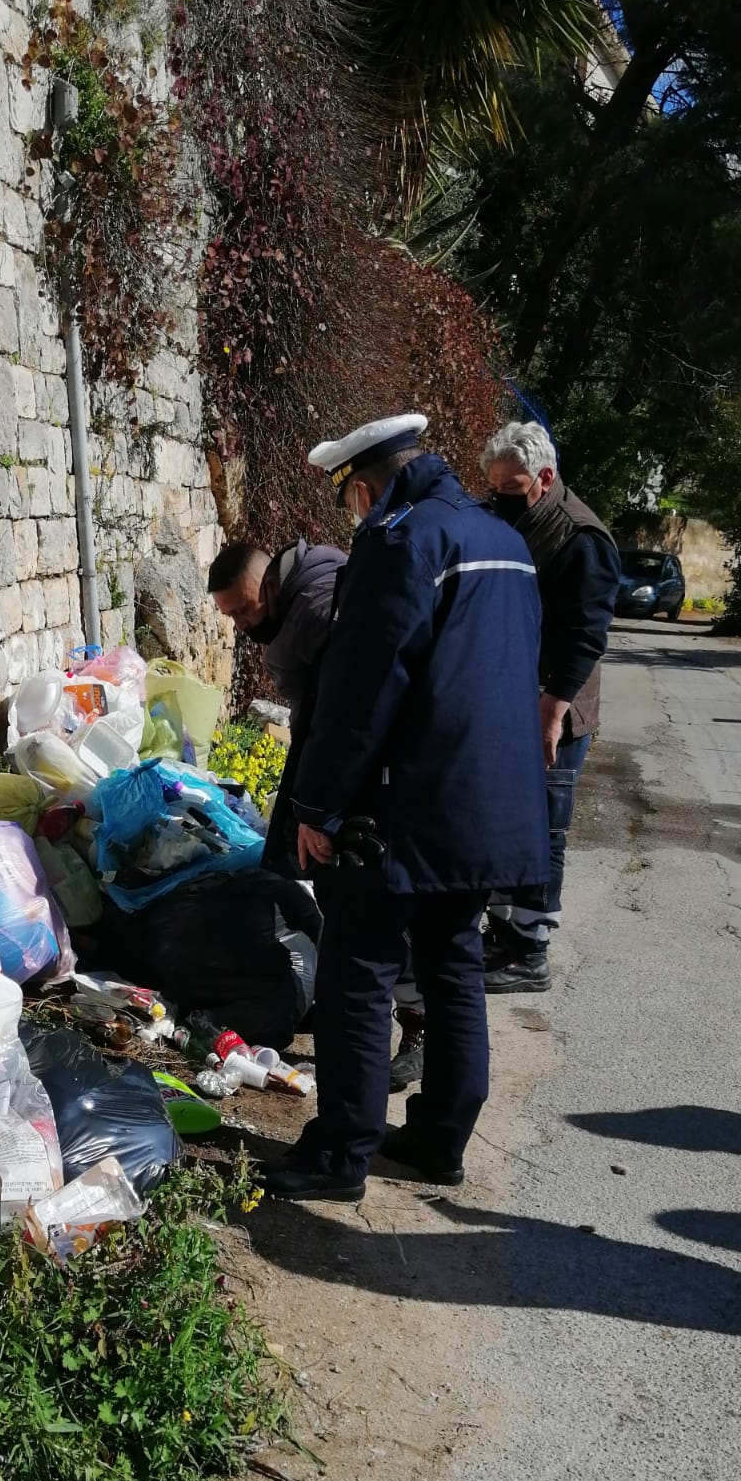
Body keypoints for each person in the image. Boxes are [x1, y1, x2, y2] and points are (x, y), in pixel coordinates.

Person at [262, 413, 549, 1203]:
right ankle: (437, 1140)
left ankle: (339, 1154)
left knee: (358, 971)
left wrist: (317, 806)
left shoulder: (398, 542)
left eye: (350, 504)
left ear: (362, 487)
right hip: (482, 801)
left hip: (404, 799)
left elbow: (363, 691)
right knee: (454, 963)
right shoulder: (504, 540)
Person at [480, 419, 618, 993]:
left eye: (510, 489)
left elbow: (586, 636)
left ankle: (531, 952)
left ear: (544, 476)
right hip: (510, 697)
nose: (499, 500)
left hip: (555, 706)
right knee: (505, 821)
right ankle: (505, 931)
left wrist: (553, 709)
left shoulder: (582, 538)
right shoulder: (510, 514)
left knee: (543, 826)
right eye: (493, 488)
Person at [208, 538, 346, 873]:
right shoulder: (316, 589)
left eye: (243, 609)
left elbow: (340, 721)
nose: (241, 625)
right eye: (230, 616)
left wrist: (316, 811)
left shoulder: (316, 614)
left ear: (270, 584)